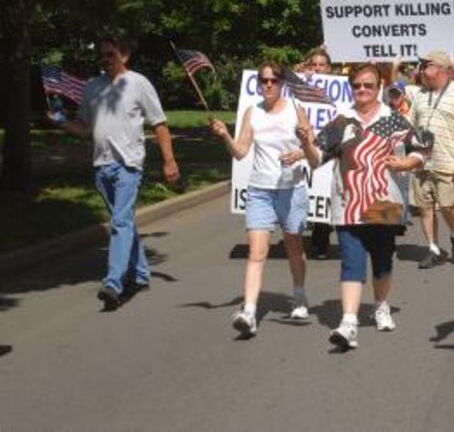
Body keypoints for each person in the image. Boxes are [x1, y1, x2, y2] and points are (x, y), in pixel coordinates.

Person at [299, 63, 432, 350]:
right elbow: (316, 159)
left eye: (368, 85)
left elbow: (423, 149)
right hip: (347, 204)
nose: (362, 90)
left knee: (383, 262)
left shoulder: (393, 120)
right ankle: (349, 322)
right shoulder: (341, 122)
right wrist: (306, 142)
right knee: (351, 261)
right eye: (357, 85)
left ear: (379, 87)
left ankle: (381, 305)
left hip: (384, 202)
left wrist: (408, 162)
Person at [49, 35, 181, 310]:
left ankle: (113, 283)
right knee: (124, 222)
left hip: (128, 165)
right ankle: (142, 273)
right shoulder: (92, 87)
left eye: (110, 54)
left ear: (124, 55)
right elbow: (86, 128)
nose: (105, 60)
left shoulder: (138, 83)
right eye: (102, 55)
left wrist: (169, 162)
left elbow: (160, 124)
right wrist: (60, 122)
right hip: (101, 165)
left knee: (119, 223)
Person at [210, 62, 315, 337]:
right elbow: (241, 152)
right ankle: (249, 311)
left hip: (291, 189)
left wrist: (299, 152)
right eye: (263, 80)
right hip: (260, 191)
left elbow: (312, 147)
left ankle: (300, 295)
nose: (268, 84)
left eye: (273, 80)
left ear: (282, 83)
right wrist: (225, 137)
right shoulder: (252, 112)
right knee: (257, 253)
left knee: (294, 247)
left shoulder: (295, 108)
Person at [410, 50, 454, 268]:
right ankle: (433, 249)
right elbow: (411, 124)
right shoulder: (419, 94)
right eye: (423, 65)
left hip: (446, 160)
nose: (422, 68)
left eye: (428, 65)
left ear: (443, 69)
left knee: (447, 206)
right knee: (425, 208)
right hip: (420, 160)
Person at [302, 48, 336, 260]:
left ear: (329, 68)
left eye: (321, 65)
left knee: (323, 191)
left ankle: (321, 241)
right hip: (304, 145)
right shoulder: (301, 85)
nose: (317, 68)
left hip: (328, 147)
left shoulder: (338, 89)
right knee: (305, 191)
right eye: (314, 64)